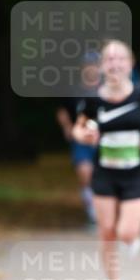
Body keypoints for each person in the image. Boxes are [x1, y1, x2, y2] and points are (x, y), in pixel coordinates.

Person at [72, 39, 140, 280]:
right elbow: (79, 128)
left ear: (130, 63)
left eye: (120, 59)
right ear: (101, 66)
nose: (115, 64)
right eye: (109, 60)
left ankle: (132, 239)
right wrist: (84, 134)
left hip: (136, 171)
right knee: (107, 232)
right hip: (105, 172)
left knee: (126, 231)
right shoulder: (92, 99)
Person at [54, 51, 101, 227]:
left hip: (103, 138)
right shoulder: (73, 89)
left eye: (94, 65)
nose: (91, 69)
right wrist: (67, 127)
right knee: (85, 174)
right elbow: (62, 110)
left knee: (104, 175)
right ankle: (93, 214)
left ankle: (107, 213)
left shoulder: (106, 89)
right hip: (81, 138)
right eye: (88, 65)